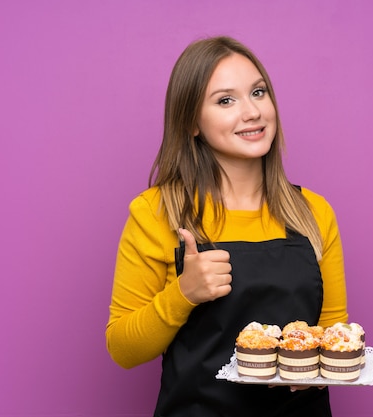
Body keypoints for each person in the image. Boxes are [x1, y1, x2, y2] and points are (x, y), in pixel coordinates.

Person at [106, 36, 348, 417]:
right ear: (191, 123)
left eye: (258, 92)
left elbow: (334, 333)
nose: (252, 112)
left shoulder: (313, 212)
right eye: (225, 100)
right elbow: (123, 349)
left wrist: (318, 370)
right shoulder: (157, 211)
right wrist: (183, 293)